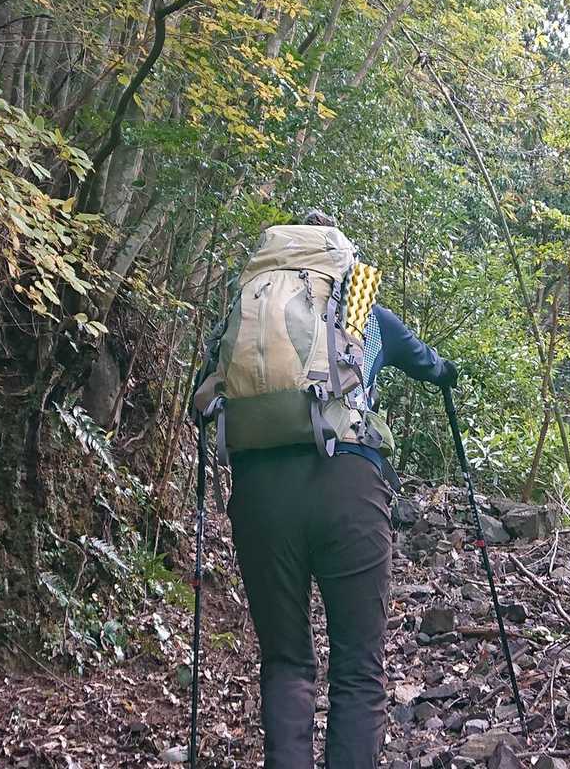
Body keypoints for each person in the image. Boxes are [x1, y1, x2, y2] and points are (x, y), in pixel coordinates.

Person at [192, 211, 457, 769]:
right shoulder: (361, 312)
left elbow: (204, 399)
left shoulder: (246, 312)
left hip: (261, 495)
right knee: (357, 669)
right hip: (348, 488)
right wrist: (446, 372)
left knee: (285, 662)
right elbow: (429, 365)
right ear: (337, 260)